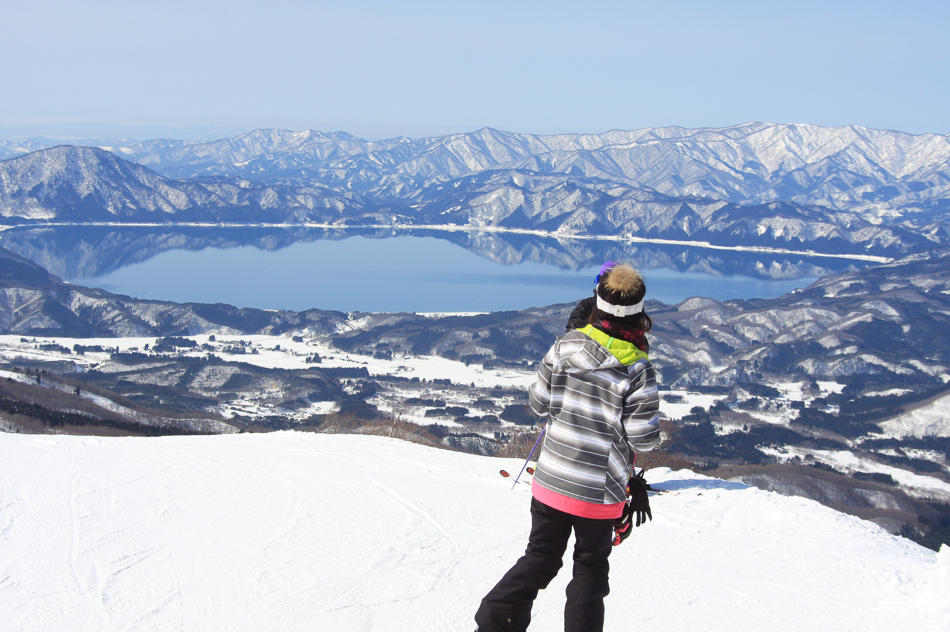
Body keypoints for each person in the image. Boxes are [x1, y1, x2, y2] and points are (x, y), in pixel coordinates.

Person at [474, 263, 661, 632]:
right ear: (640, 311)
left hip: (552, 479)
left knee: (540, 558)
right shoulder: (638, 369)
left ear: (597, 302)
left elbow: (538, 403)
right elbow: (644, 439)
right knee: (590, 570)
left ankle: (495, 622)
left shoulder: (565, 345)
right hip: (598, 492)